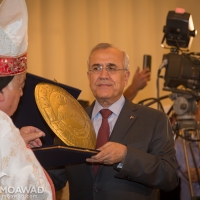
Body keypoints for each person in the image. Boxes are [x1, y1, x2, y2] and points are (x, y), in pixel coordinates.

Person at [48, 42, 178, 200]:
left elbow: (169, 177)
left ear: (126, 77)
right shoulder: (68, 122)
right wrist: (26, 152)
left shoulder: (153, 120)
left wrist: (126, 156)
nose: (103, 75)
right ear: (89, 77)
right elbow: (53, 179)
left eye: (111, 68)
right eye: (96, 68)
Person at [0, 0, 55, 199]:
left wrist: (16, 143)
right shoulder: (3, 128)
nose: (22, 94)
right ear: (2, 92)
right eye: (21, 86)